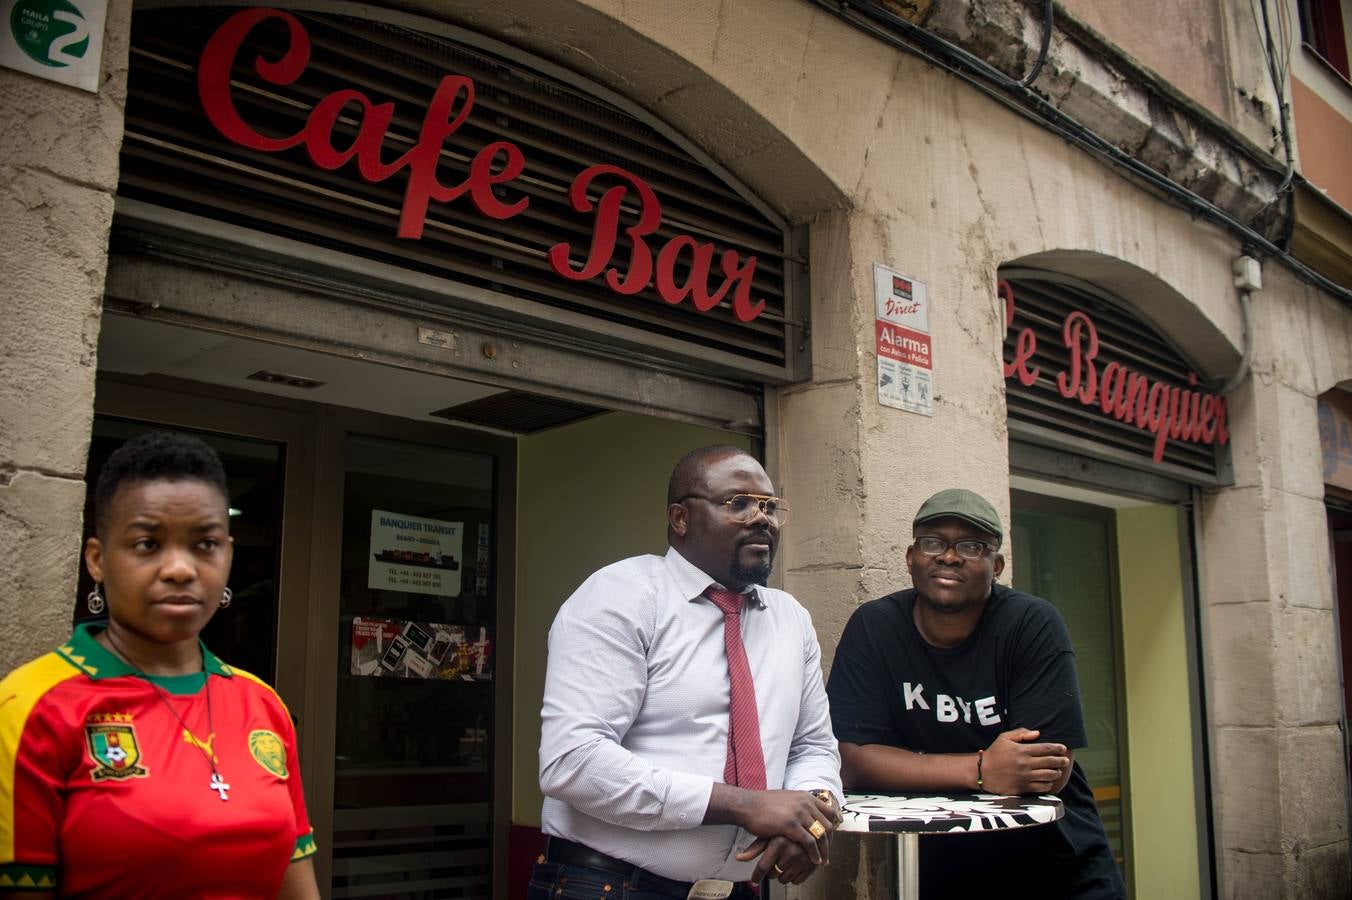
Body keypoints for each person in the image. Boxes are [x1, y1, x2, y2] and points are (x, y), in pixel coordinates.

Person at [0, 431, 320, 899]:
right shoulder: (31, 708)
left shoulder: (262, 704)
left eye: (205, 544)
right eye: (148, 544)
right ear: (97, 560)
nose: (180, 569)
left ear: (228, 554)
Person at [531, 446, 843, 899]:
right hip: (611, 885)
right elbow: (573, 762)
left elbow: (812, 745)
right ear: (680, 518)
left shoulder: (791, 619)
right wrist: (745, 806)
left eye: (770, 507)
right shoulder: (622, 597)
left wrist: (812, 817)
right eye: (738, 504)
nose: (763, 519)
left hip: (737, 890)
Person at [826, 488, 1124, 899]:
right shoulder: (875, 627)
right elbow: (850, 760)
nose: (949, 556)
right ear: (911, 557)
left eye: (971, 546)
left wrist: (908, 764)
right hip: (940, 864)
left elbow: (1048, 770)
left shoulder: (1030, 624)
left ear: (996, 565)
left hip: (1054, 864)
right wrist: (983, 768)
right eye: (933, 542)